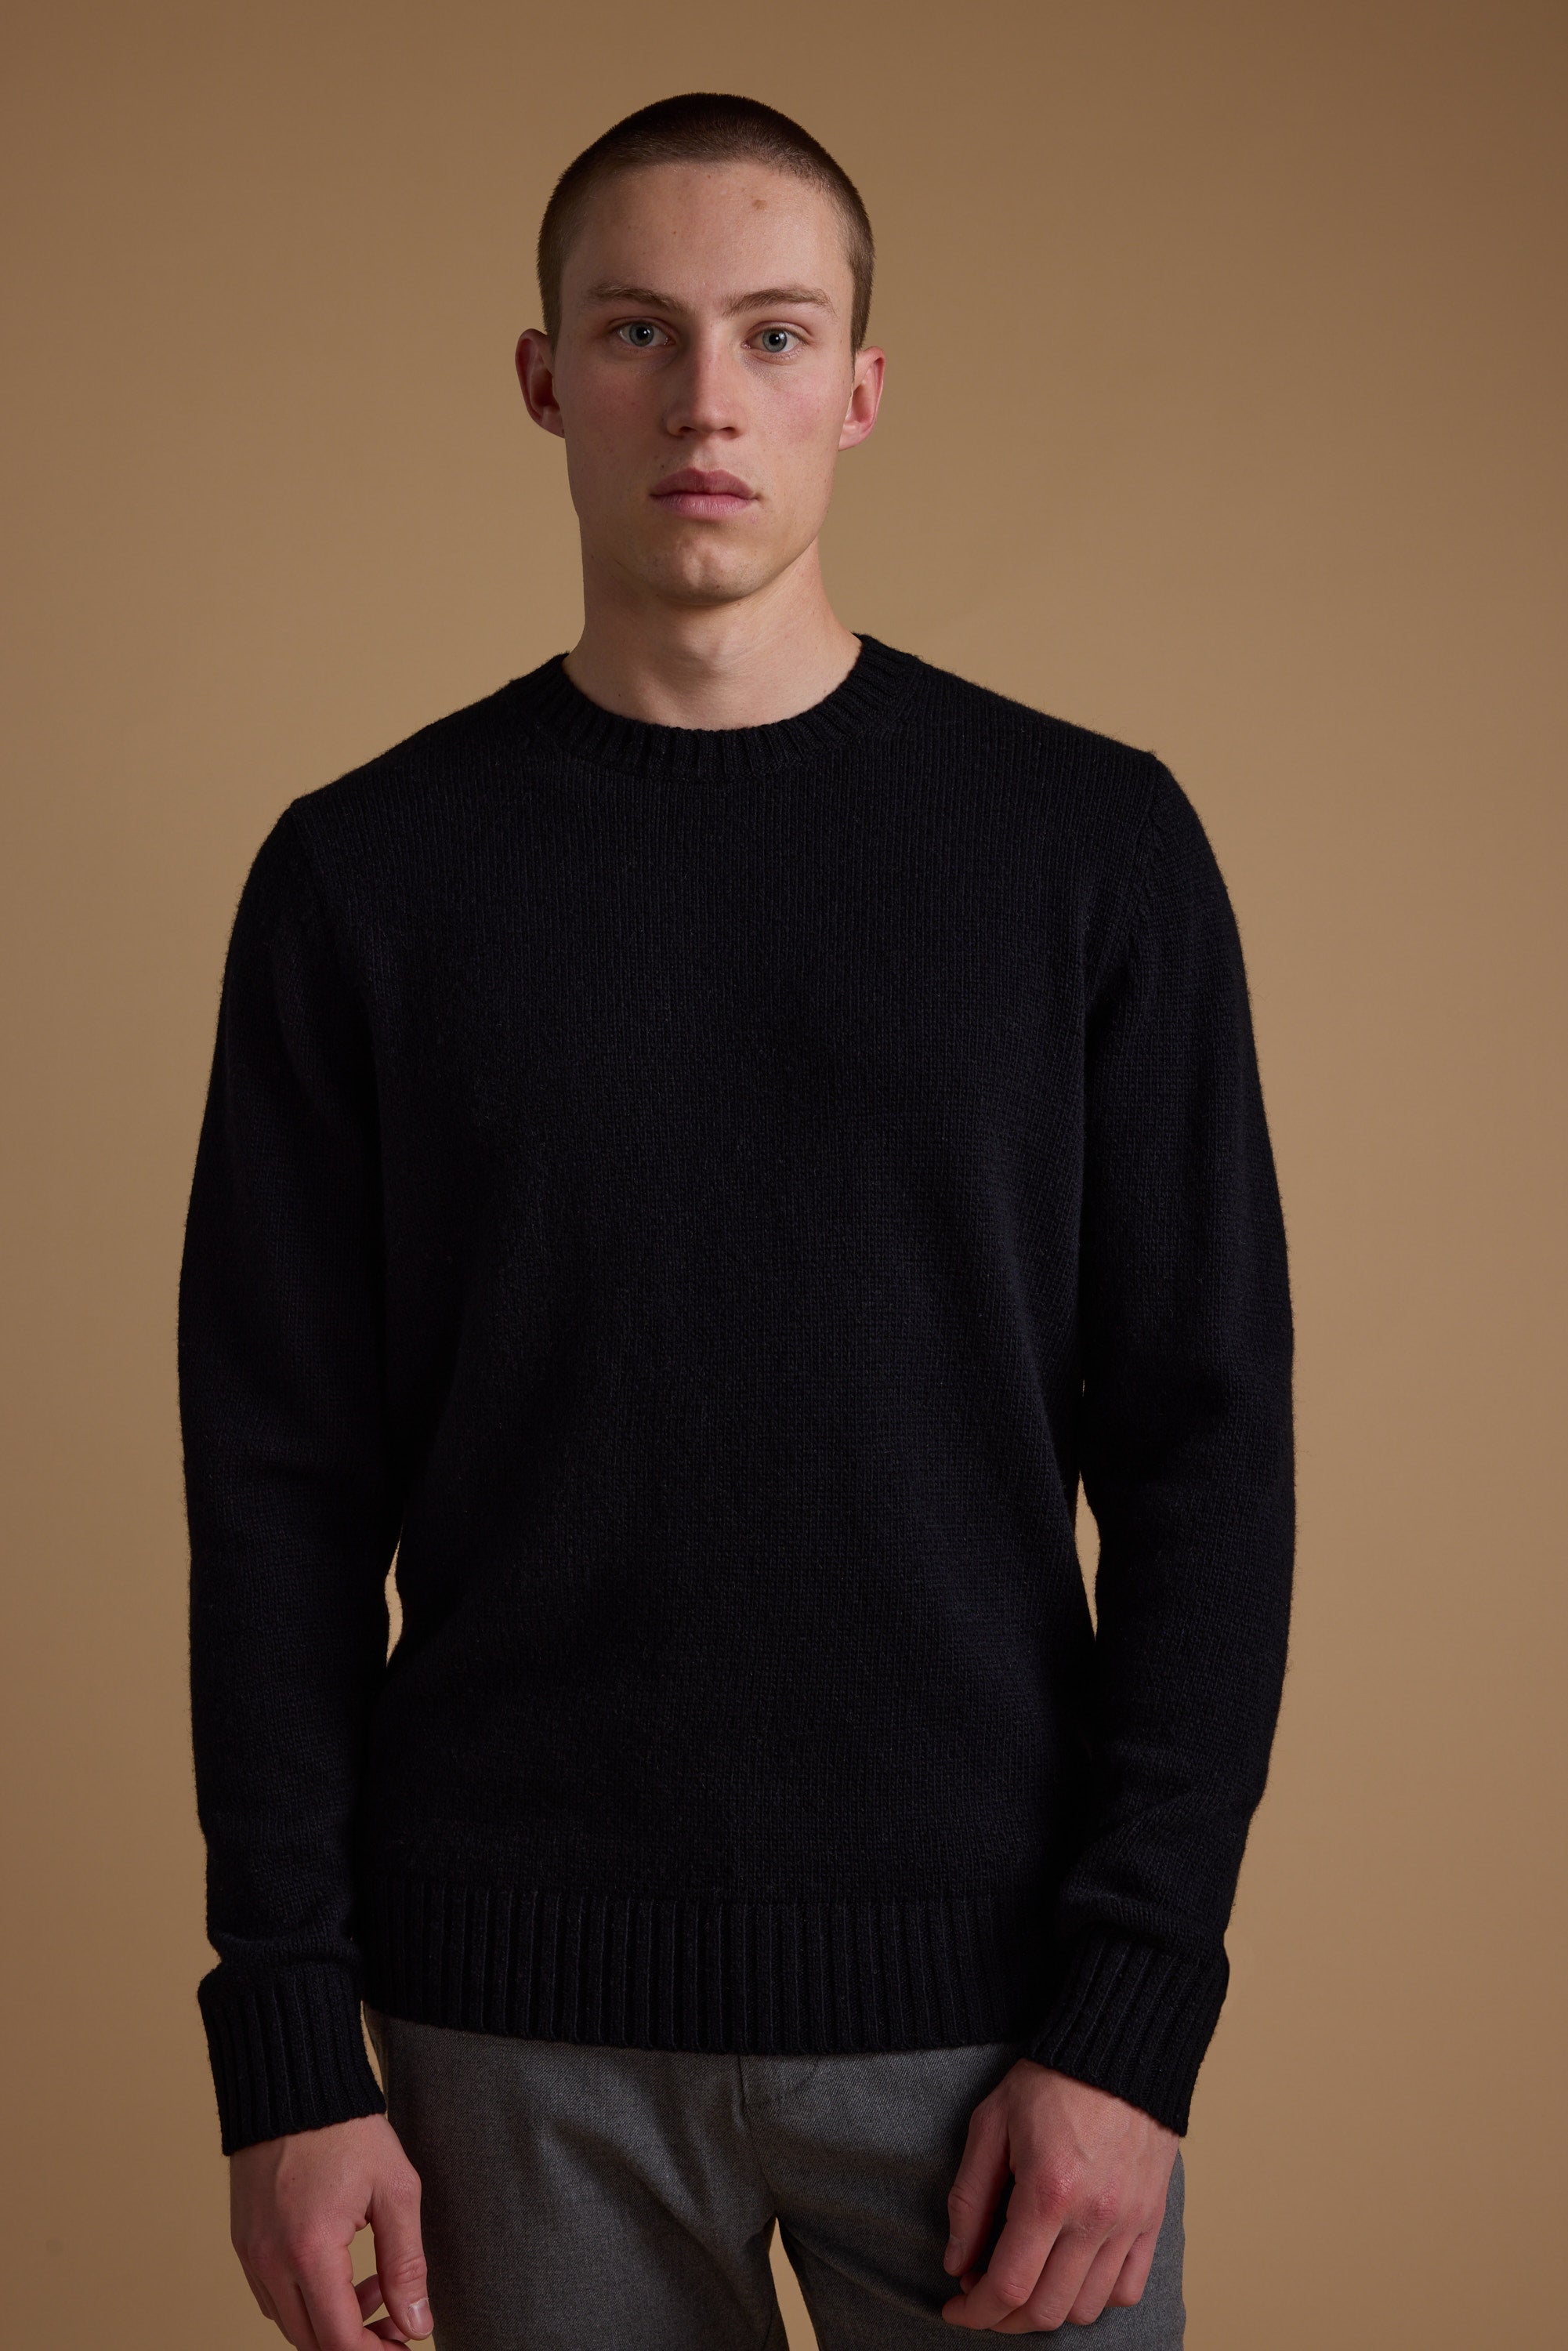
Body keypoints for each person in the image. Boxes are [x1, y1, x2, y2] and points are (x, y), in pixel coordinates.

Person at [178, 91, 1295, 2351]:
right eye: (637, 331)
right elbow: (277, 1499)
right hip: (504, 2041)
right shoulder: (362, 884)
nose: (706, 401)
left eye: (774, 337)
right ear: (541, 377)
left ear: (859, 390)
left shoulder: (1089, 855)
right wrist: (288, 2053)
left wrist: (1130, 2020)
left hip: (998, 2039)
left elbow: (1205, 1458)